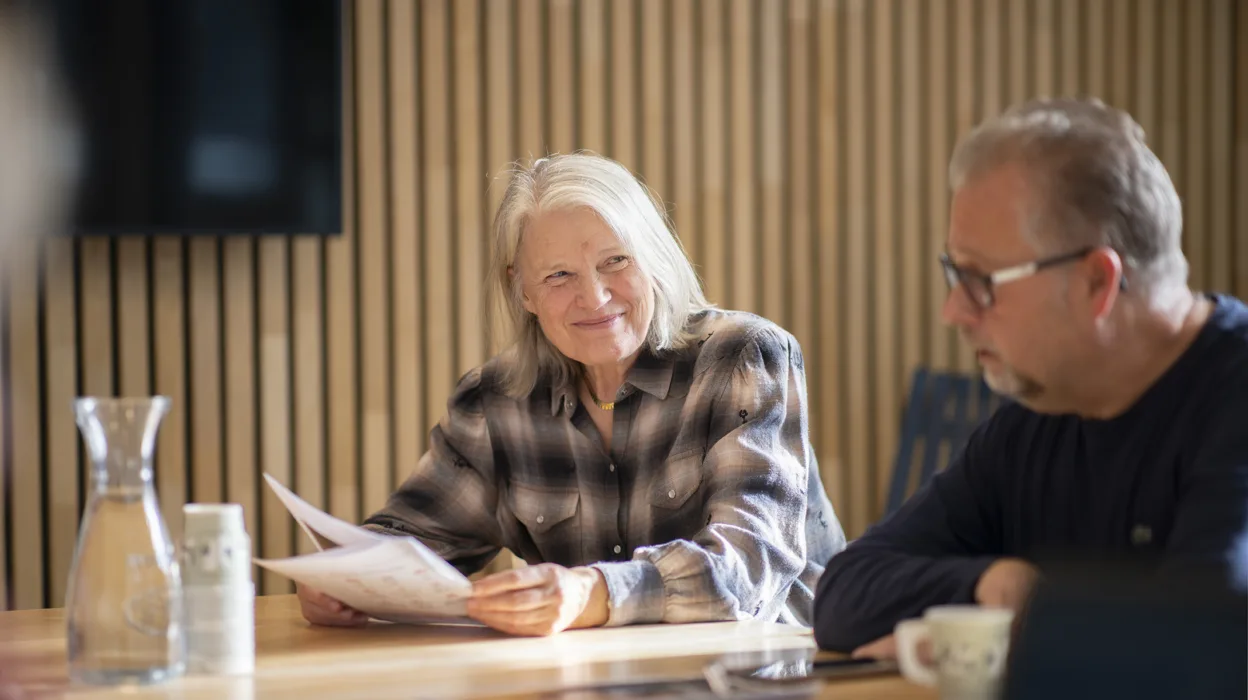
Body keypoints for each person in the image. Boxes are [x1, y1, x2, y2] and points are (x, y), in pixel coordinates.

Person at [298, 152, 846, 636]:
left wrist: (593, 593)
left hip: (777, 671)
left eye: (616, 261)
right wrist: (343, 576)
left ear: (652, 257)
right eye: (559, 274)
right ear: (523, 290)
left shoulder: (742, 356)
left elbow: (751, 565)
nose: (596, 296)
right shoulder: (495, 401)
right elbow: (418, 534)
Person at [812, 97, 1248, 656]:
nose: (954, 312)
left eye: (980, 279)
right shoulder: (1040, 415)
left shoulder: (1232, 401)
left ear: (1097, 282)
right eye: (954, 274)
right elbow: (842, 598)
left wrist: (1018, 631)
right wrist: (992, 587)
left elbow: (1202, 651)